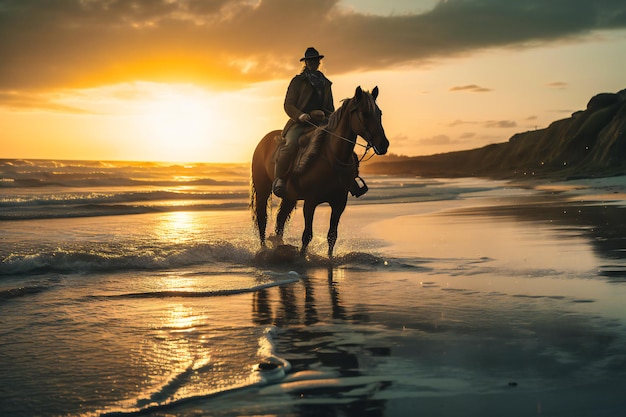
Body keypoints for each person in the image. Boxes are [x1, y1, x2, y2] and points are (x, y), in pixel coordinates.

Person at [273, 47, 335, 198]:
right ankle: (280, 179)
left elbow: (330, 108)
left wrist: (325, 115)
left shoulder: (326, 84)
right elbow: (288, 104)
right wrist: (301, 115)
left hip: (321, 123)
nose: (313, 63)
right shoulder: (297, 81)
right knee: (290, 145)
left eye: (316, 60)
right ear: (306, 63)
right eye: (310, 60)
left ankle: (348, 179)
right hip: (300, 123)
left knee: (337, 142)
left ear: (319, 62)